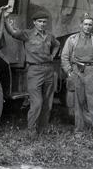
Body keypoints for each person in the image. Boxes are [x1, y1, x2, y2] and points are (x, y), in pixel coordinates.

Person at [4, 9, 60, 139]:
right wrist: (6, 19)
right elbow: (12, 32)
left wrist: (52, 56)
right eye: (39, 22)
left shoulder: (49, 36)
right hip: (35, 71)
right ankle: (31, 130)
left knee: (47, 102)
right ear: (34, 22)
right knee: (37, 103)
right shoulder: (27, 34)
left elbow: (57, 45)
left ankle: (43, 129)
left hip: (49, 70)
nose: (42, 24)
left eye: (44, 22)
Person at [61, 13, 93, 141]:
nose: (87, 27)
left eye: (90, 24)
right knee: (79, 103)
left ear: (92, 26)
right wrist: (69, 72)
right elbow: (64, 57)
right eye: (85, 24)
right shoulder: (72, 39)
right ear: (80, 25)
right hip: (77, 72)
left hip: (92, 71)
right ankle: (79, 132)